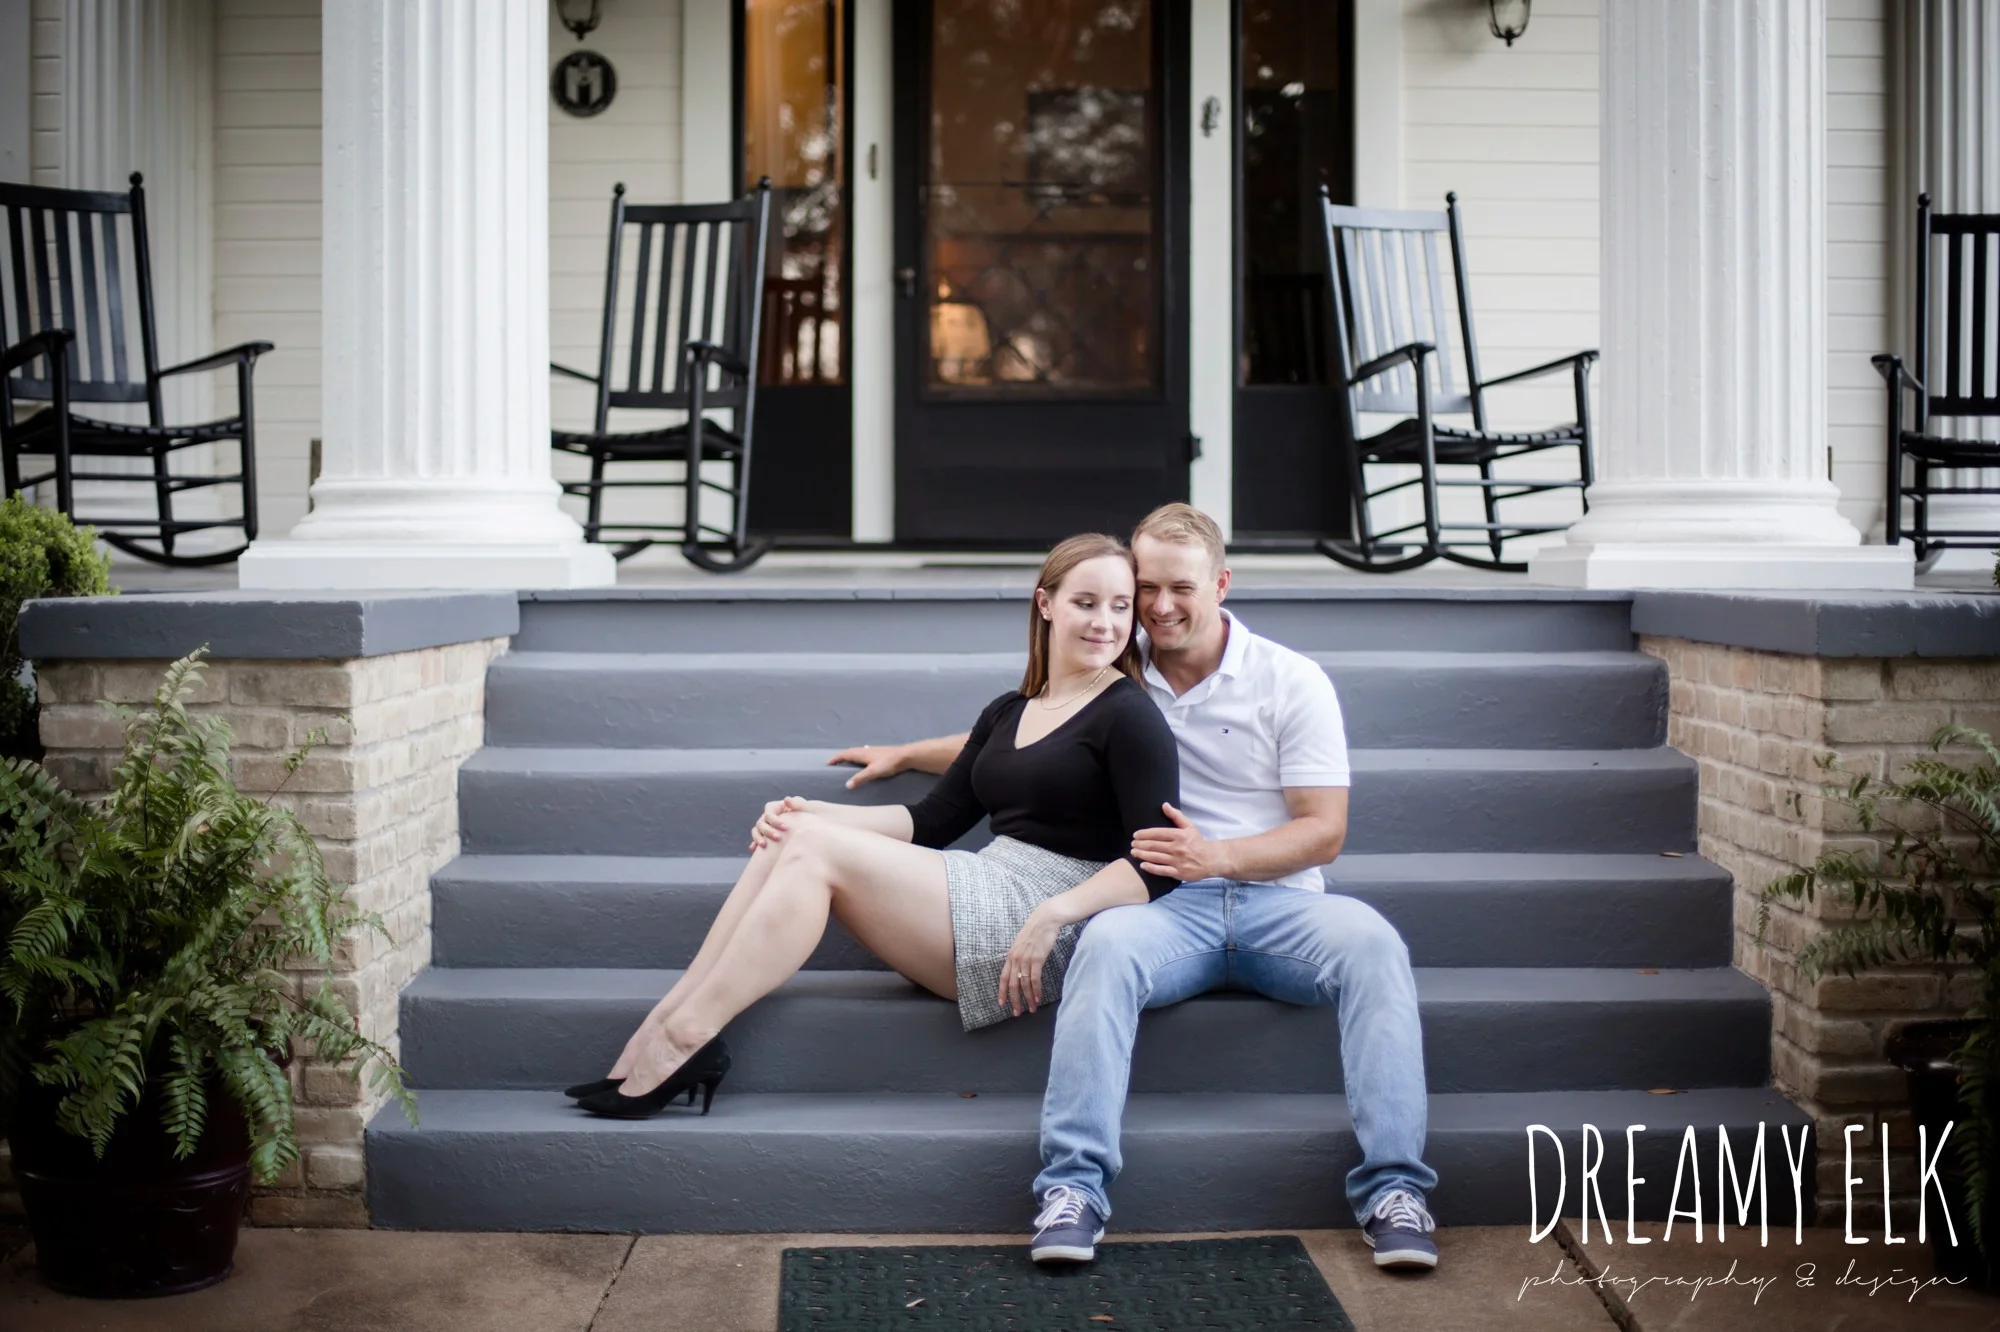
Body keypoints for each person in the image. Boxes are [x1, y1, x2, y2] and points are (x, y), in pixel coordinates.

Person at [829, 504, 1440, 1272]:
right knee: (1105, 943)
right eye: (1147, 587)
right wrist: (907, 752)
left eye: (1181, 588)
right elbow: (1024, 734)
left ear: (1221, 584)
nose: (1159, 606)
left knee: (1376, 944)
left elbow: (1324, 831)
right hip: (1166, 906)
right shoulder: (1120, 668)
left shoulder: (1290, 680)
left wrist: (1216, 856)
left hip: (1281, 902)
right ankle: (1073, 1188)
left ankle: (1395, 1192)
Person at [562, 533, 1182, 1120]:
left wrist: (1055, 913)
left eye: (1119, 606)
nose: (1104, 622)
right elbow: (932, 821)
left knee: (815, 851)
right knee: (793, 835)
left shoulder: (1129, 714)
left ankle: (687, 1036)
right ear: (1046, 604)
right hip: (989, 884)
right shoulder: (1010, 710)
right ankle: (660, 1029)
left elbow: (1156, 868)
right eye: (1085, 602)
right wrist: (808, 811)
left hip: (1047, 921)